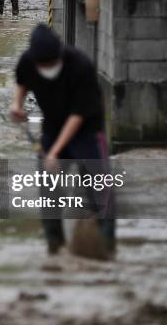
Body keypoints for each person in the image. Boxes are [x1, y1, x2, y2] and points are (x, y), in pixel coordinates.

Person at [10, 24, 115, 255]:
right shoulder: (29, 61)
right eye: (43, 65)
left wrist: (55, 153)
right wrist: (16, 105)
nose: (48, 68)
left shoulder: (79, 65)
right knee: (49, 187)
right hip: (53, 126)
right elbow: (22, 82)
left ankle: (106, 245)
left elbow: (77, 115)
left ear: (59, 55)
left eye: (51, 63)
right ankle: (54, 244)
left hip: (86, 128)